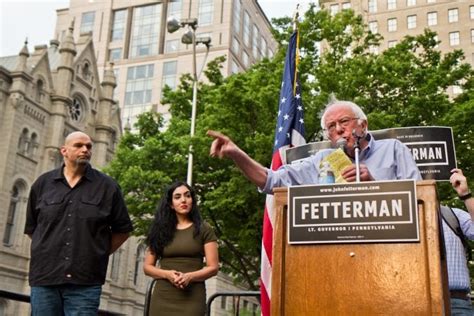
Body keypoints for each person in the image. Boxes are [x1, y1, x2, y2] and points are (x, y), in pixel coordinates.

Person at [24, 131, 133, 316]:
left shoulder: (108, 187)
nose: (85, 150)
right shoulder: (42, 184)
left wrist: (95, 254)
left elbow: (123, 231)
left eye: (89, 146)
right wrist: (48, 249)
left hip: (85, 283)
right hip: (45, 279)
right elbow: (33, 229)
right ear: (64, 151)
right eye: (79, 145)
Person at [207, 99, 421, 192]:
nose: (338, 129)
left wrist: (374, 185)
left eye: (344, 122)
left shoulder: (393, 149)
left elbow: (419, 197)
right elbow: (271, 180)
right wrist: (236, 154)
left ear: (363, 125)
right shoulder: (324, 160)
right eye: (331, 126)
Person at [144, 181, 219, 316]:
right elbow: (147, 267)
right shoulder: (159, 230)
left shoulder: (204, 229)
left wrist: (189, 276)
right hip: (163, 297)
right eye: (177, 197)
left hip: (193, 297)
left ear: (192, 200)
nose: (183, 200)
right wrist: (167, 274)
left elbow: (213, 267)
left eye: (187, 195)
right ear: (171, 204)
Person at [444, 168, 474, 315]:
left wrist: (465, 194)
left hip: (457, 303)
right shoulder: (400, 220)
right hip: (412, 301)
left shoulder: (453, 214)